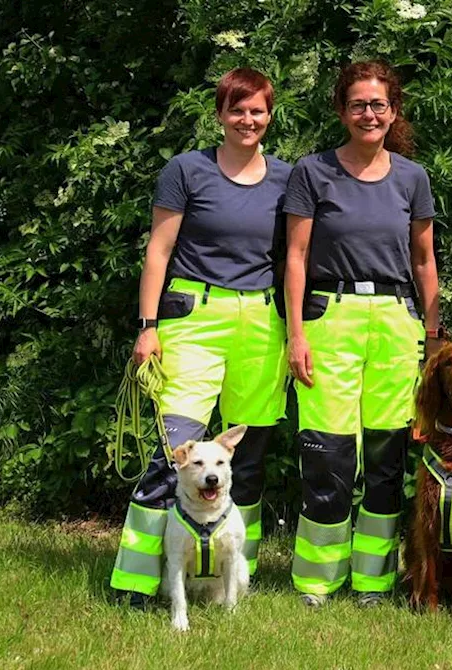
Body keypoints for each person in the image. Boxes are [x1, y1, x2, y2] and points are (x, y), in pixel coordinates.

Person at [110, 67, 290, 606]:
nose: (247, 119)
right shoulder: (186, 170)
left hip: (262, 326)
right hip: (193, 319)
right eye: (237, 109)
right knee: (173, 455)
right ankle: (137, 582)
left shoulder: (287, 178)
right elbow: (158, 252)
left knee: (246, 462)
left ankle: (233, 583)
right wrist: (148, 327)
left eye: (257, 110)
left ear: (269, 116)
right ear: (219, 114)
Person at [283, 60, 441, 607]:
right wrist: (296, 333)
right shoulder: (312, 172)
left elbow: (424, 262)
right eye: (358, 104)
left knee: (385, 458)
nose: (368, 113)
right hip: (330, 317)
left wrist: (434, 336)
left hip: (398, 324)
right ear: (341, 110)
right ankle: (317, 580)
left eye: (378, 104)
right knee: (328, 454)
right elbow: (296, 257)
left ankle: (373, 580)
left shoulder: (412, 178)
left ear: (393, 111)